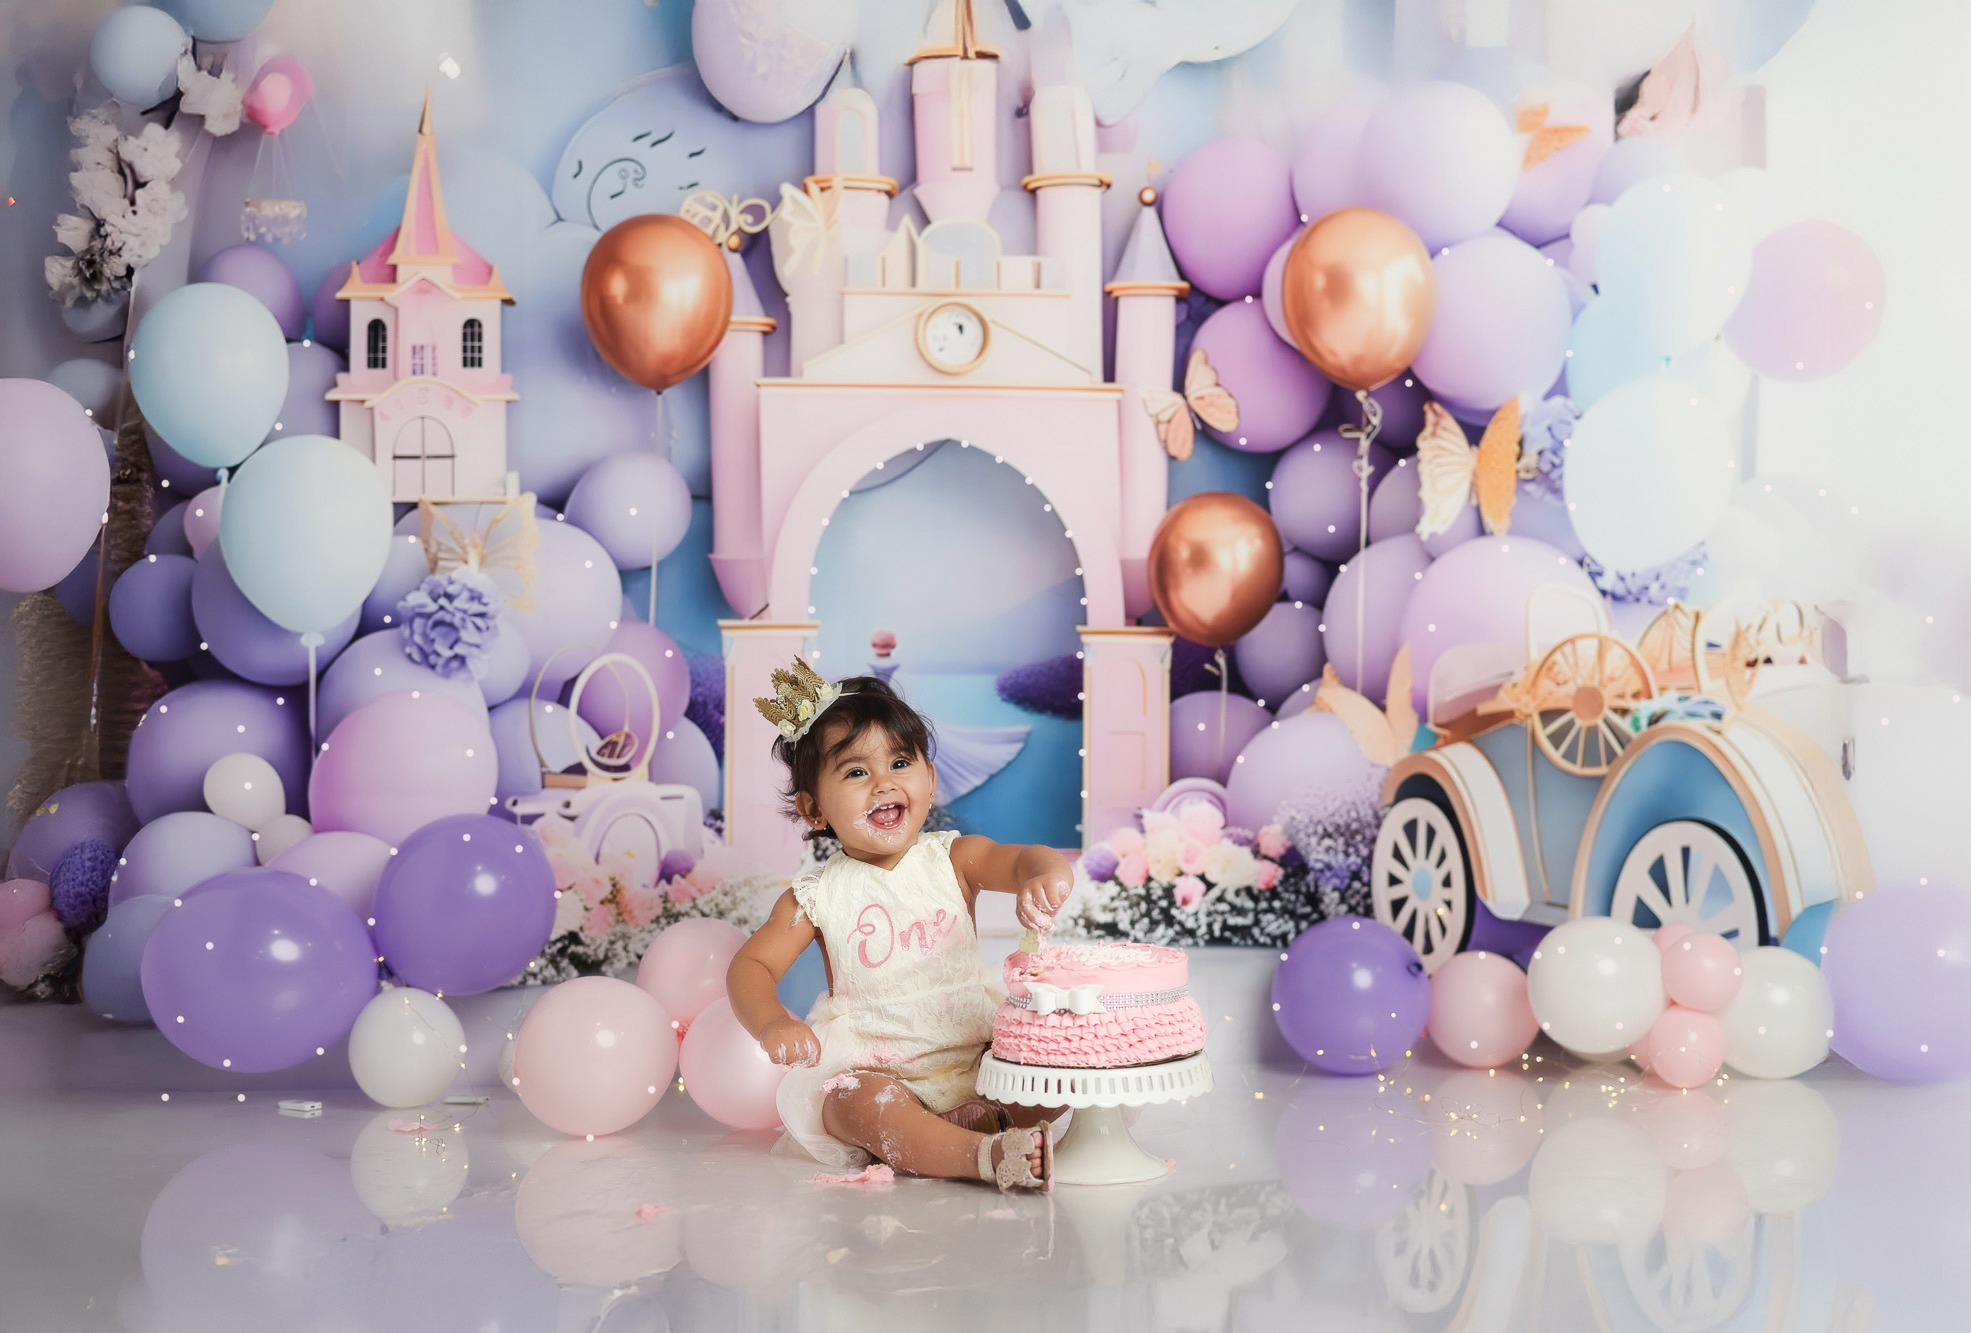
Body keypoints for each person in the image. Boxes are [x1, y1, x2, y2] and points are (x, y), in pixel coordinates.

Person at [727, 658, 1071, 1190]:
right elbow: (751, 963)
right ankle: (981, 1154)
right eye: (856, 771)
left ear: (930, 781)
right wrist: (773, 1021)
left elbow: (1023, 858)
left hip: (975, 1048)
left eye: (900, 763)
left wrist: (1043, 875)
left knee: (1044, 1068)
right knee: (851, 1104)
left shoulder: (955, 858)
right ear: (814, 808)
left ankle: (981, 1123)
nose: (883, 783)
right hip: (880, 1067)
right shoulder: (816, 895)